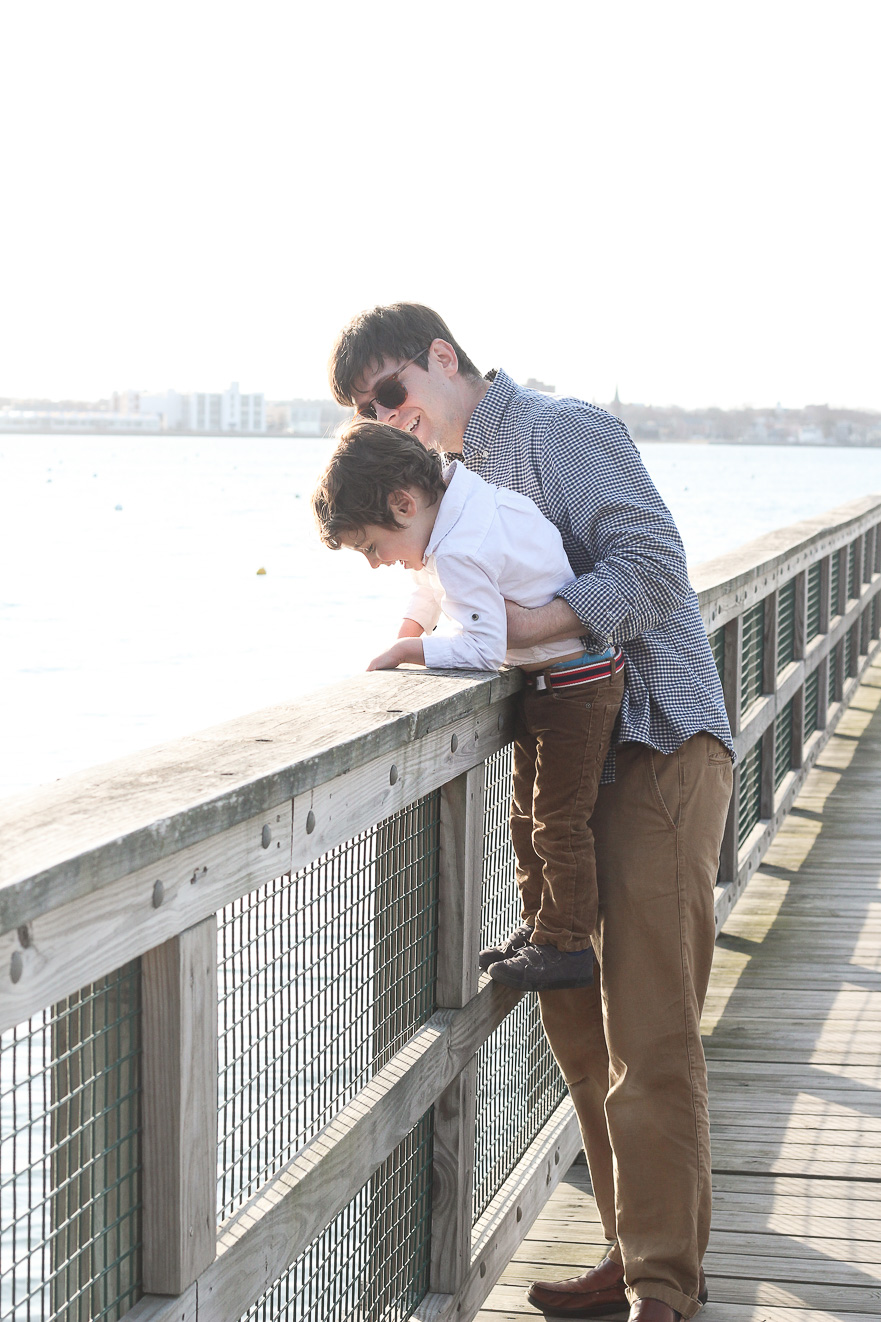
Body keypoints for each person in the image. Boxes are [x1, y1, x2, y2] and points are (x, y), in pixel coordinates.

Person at [327, 304, 734, 1322]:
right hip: (571, 764)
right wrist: (406, 644)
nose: (387, 415)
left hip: (651, 739)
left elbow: (647, 568)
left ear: (442, 357)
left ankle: (663, 1288)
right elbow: (436, 600)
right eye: (361, 409)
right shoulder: (445, 490)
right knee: (578, 1024)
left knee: (646, 1031)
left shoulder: (558, 430)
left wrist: (521, 624)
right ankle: (624, 1242)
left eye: (389, 392)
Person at [312, 420, 625, 991]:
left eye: (372, 548)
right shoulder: (466, 503)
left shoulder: (459, 546)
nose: (377, 563)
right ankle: (541, 926)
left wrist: (410, 648)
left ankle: (567, 944)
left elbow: (483, 649)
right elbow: (431, 587)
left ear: (403, 503)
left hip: (575, 688)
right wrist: (405, 632)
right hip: (556, 683)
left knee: (558, 822)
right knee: (528, 818)